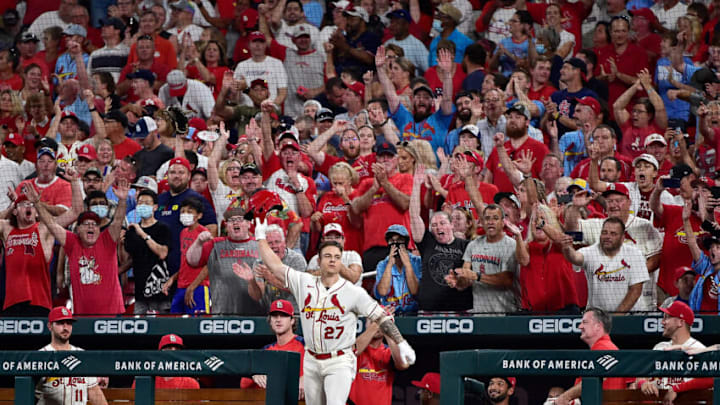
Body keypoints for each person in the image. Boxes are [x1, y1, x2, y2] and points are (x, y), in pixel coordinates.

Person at [255, 217, 416, 405]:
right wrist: (260, 237)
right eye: (328, 256)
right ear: (318, 260)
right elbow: (276, 266)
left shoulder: (353, 292)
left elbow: (382, 317)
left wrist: (401, 342)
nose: (332, 261)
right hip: (312, 358)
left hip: (339, 359)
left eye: (337, 257)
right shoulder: (304, 282)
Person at [34, 180, 128, 315]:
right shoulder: (73, 243)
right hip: (82, 315)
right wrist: (37, 204)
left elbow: (118, 220)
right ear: (78, 229)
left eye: (94, 224)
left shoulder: (107, 240)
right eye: (86, 224)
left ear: (98, 229)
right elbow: (51, 225)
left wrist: (122, 200)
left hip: (112, 313)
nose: (91, 226)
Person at [559, 217, 649, 312]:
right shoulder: (591, 252)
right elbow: (575, 257)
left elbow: (635, 290)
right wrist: (567, 248)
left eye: (613, 234)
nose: (607, 236)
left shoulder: (634, 254)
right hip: (598, 317)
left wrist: (618, 316)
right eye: (604, 232)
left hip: (631, 315)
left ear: (622, 238)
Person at [185, 206, 263, 315]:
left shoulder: (260, 246)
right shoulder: (215, 244)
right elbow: (191, 261)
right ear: (226, 226)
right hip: (222, 312)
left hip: (256, 312)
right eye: (231, 221)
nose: (236, 223)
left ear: (249, 223)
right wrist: (198, 242)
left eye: (240, 219)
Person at [447, 204, 519, 314]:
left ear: (502, 222)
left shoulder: (511, 245)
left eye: (495, 218)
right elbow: (466, 277)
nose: (490, 222)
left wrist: (477, 276)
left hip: (505, 312)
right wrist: (458, 281)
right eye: (487, 218)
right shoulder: (473, 245)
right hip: (480, 313)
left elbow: (507, 279)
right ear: (482, 222)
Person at [36, 307, 109, 405]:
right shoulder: (40, 356)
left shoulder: (82, 355)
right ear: (50, 326)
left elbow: (94, 392)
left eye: (69, 323)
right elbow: (32, 395)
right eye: (61, 323)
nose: (65, 327)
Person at [553, 308, 625, 405]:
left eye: (585, 322)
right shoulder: (609, 347)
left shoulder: (603, 348)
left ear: (598, 326)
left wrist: (565, 397)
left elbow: (590, 383)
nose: (580, 326)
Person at [635, 301, 704, 398]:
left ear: (680, 322)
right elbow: (641, 375)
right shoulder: (659, 347)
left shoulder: (700, 350)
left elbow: (709, 382)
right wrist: (643, 383)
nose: (662, 322)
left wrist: (678, 389)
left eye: (667, 317)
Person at [240, 299, 305, 400]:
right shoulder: (266, 350)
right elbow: (243, 383)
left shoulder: (305, 345)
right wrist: (254, 375)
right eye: (274, 316)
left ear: (292, 320)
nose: (278, 319)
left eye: (283, 315)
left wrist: (306, 379)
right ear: (270, 321)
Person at [123, 189, 171, 314]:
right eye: (140, 202)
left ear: (155, 207)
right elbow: (130, 259)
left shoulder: (163, 229)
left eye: (147, 203)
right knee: (139, 330)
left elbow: (162, 253)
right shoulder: (132, 231)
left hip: (160, 292)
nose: (142, 205)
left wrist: (142, 234)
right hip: (140, 293)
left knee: (162, 327)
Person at [348, 312, 410, 405]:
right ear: (365, 324)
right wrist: (377, 322)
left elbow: (403, 365)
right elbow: (351, 353)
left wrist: (388, 329)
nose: (377, 326)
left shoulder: (388, 352)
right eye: (372, 321)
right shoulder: (354, 345)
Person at [165, 197, 210, 314]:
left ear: (199, 215)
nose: (185, 214)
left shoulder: (204, 234)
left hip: (199, 287)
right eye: (183, 211)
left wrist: (192, 287)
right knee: (174, 324)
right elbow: (185, 262)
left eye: (189, 212)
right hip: (181, 286)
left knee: (198, 326)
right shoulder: (183, 232)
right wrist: (173, 279)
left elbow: (209, 266)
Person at [682, 200, 720, 314]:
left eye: (718, 248)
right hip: (700, 321)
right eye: (711, 247)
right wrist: (686, 220)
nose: (712, 250)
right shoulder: (706, 266)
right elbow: (692, 243)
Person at [374, 225, 422, 313]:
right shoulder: (382, 264)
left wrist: (407, 264)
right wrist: (389, 265)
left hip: (413, 314)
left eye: (400, 240)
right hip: (390, 314)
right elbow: (382, 292)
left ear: (406, 242)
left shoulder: (417, 262)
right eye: (392, 241)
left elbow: (415, 291)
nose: (395, 243)